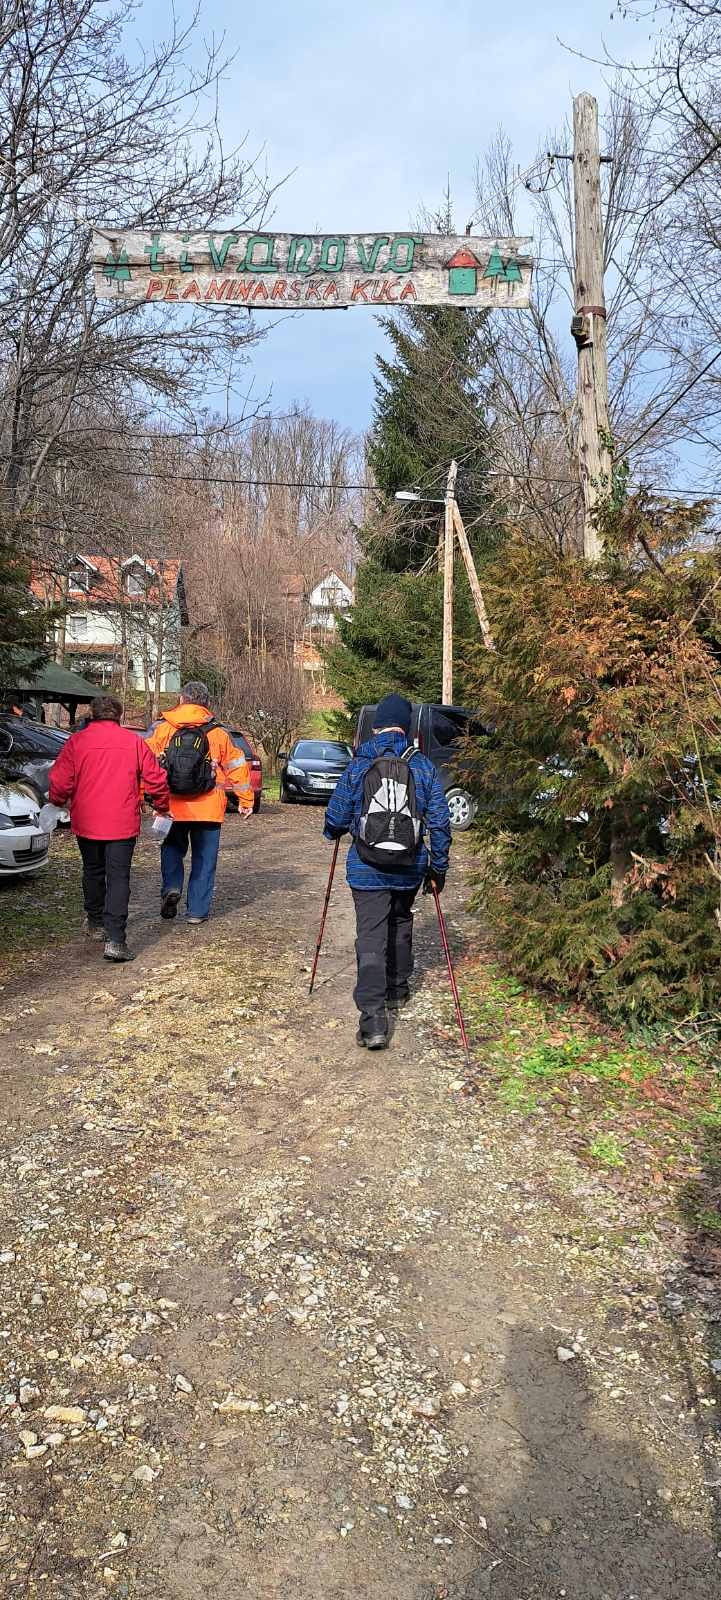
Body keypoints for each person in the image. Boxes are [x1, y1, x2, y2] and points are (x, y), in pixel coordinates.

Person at [323, 692, 452, 1050]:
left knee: (370, 937)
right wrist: (437, 868)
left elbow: (335, 816)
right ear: (406, 728)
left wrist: (333, 831)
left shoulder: (360, 764)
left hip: (365, 866)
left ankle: (374, 1021)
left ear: (377, 726)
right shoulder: (423, 766)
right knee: (400, 920)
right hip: (409, 865)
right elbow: (440, 822)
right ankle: (396, 989)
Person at [48, 694, 171, 963]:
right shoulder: (133, 743)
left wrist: (57, 801)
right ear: (119, 715)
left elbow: (59, 781)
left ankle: (95, 922)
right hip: (121, 823)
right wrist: (162, 805)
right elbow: (156, 780)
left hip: (87, 820)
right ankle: (116, 939)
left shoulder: (77, 742)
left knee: (92, 870)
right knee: (118, 877)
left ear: (92, 714)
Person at [146, 681, 254, 925]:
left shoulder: (163, 730)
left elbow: (146, 764)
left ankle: (172, 887)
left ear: (182, 700)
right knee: (205, 861)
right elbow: (237, 766)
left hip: (170, 806)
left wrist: (145, 795)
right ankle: (196, 911)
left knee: (172, 851)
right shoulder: (218, 733)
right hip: (208, 808)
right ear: (206, 703)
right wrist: (245, 800)